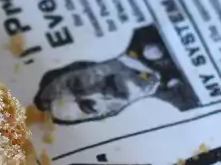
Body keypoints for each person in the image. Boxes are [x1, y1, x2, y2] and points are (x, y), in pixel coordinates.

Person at [33, 24, 200, 124]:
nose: (96, 92)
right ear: (108, 114)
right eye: (89, 106)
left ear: (82, 66)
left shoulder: (142, 32)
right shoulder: (184, 105)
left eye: (77, 83)